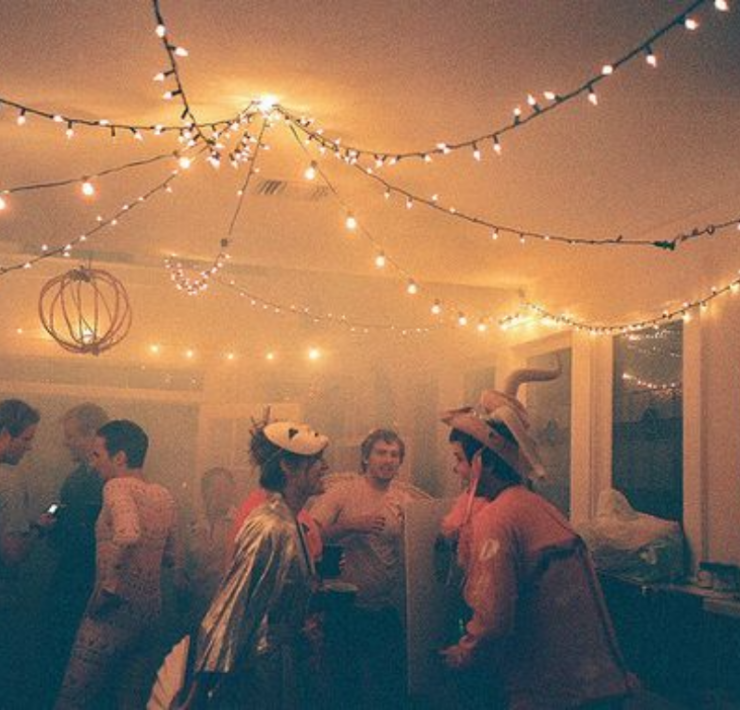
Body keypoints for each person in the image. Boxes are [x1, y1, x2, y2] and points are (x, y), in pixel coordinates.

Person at [439, 367, 636, 709]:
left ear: (483, 462)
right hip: (601, 687)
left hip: (553, 694)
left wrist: (462, 654)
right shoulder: (539, 506)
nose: (456, 470)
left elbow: (493, 621)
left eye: (459, 460)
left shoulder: (496, 518)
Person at [186, 420, 329, 709]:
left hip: (282, 666)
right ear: (287, 466)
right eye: (314, 459)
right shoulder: (269, 525)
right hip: (260, 673)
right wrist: (198, 694)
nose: (324, 467)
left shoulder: (289, 519)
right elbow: (230, 609)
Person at [56, 419, 183, 710]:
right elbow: (172, 556)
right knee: (131, 701)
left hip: (112, 611)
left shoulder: (116, 486)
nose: (93, 463)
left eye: (97, 455)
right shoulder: (163, 495)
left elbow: (128, 533)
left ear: (120, 457)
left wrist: (109, 586)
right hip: (149, 614)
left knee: (73, 698)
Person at [310, 427, 413, 709]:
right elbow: (310, 534)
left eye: (394, 455)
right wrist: (350, 525)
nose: (388, 460)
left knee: (391, 687)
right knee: (345, 689)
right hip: (344, 609)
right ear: (366, 457)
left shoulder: (404, 500)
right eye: (381, 453)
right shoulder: (343, 492)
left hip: (384, 607)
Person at [41, 404, 109, 705]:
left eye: (71, 436)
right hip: (69, 579)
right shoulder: (75, 478)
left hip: (88, 585)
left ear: (92, 434)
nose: (65, 442)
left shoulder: (108, 482)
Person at [0, 399, 45, 709]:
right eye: (26, 439)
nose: (29, 447)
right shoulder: (8, 481)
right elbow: (13, 553)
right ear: (5, 434)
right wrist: (37, 531)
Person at [186, 467, 237, 627]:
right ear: (204, 492)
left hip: (226, 601)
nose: (221, 493)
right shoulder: (193, 520)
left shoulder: (239, 522)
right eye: (215, 488)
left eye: (225, 487)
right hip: (194, 600)